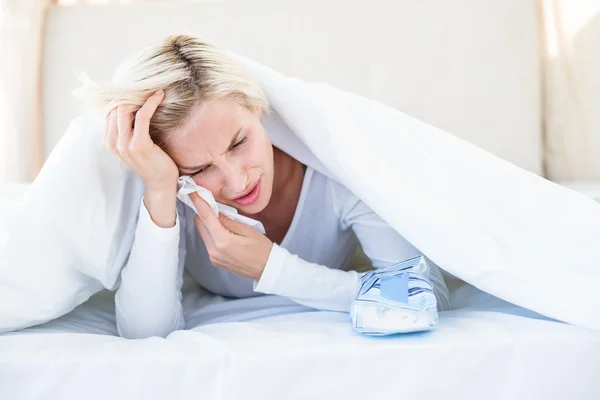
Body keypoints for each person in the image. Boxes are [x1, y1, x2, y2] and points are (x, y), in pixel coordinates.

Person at [79, 33, 450, 339]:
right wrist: (159, 190)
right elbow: (144, 333)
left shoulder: (333, 173)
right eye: (201, 167)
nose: (238, 181)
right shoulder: (175, 187)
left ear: (258, 108)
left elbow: (419, 292)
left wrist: (274, 269)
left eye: (239, 143)